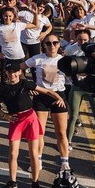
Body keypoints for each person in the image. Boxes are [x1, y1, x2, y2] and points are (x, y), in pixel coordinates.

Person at [0, 61, 65, 188]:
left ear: (19, 72)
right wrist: (4, 115)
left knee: (34, 154)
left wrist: (59, 97)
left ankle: (35, 183)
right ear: (6, 73)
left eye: (14, 71)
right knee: (13, 153)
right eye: (9, 72)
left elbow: (46, 91)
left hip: (30, 118)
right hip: (15, 120)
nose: (12, 74)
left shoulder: (25, 84)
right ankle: (13, 182)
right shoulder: (2, 88)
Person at [21, 34, 71, 172]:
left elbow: (75, 77)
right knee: (39, 132)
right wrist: (29, 87)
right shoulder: (38, 59)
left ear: (59, 45)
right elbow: (20, 68)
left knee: (61, 133)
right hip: (41, 96)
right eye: (48, 43)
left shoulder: (64, 60)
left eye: (55, 43)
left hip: (58, 97)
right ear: (44, 45)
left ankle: (64, 162)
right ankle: (38, 159)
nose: (52, 46)